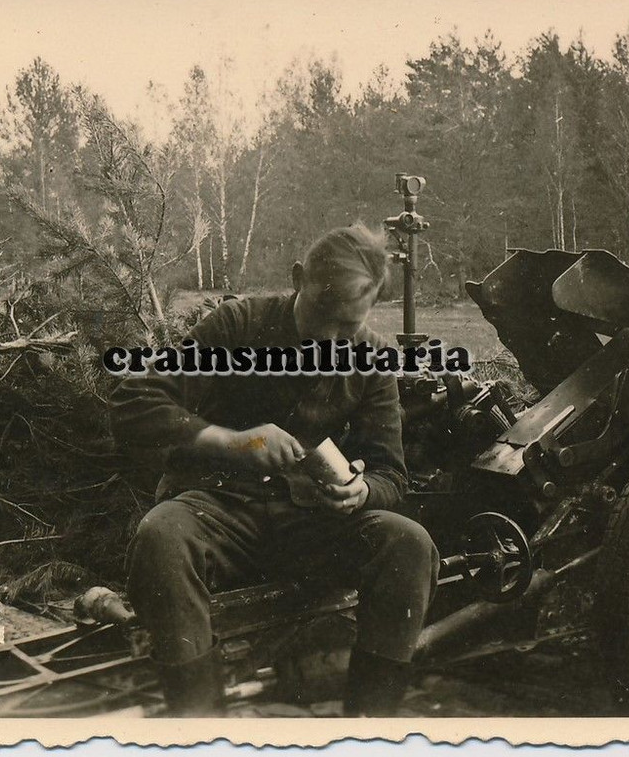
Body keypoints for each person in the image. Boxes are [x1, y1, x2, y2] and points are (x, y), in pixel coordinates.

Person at [109, 224, 439, 717]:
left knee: (409, 543)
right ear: (298, 278)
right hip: (217, 510)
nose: (329, 342)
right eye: (322, 317)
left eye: (347, 329)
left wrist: (362, 492)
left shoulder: (370, 359)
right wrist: (231, 441)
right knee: (161, 536)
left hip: (311, 525)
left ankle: (370, 726)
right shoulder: (237, 325)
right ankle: (198, 726)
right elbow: (134, 402)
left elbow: (391, 474)